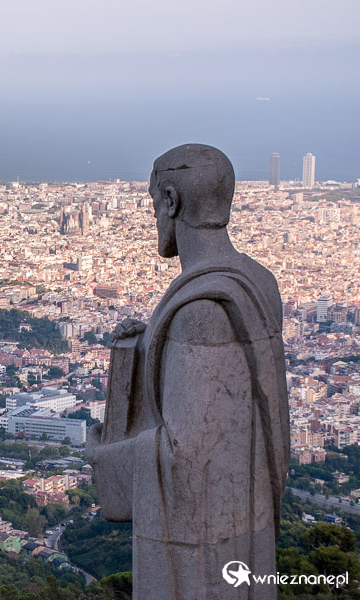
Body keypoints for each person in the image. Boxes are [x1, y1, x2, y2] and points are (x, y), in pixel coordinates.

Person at [85, 144, 289, 599]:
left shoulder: (200, 310)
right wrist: (152, 345)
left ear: (172, 201)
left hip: (203, 556)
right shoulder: (257, 282)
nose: (155, 217)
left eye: (154, 203)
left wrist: (103, 458)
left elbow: (184, 456)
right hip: (245, 516)